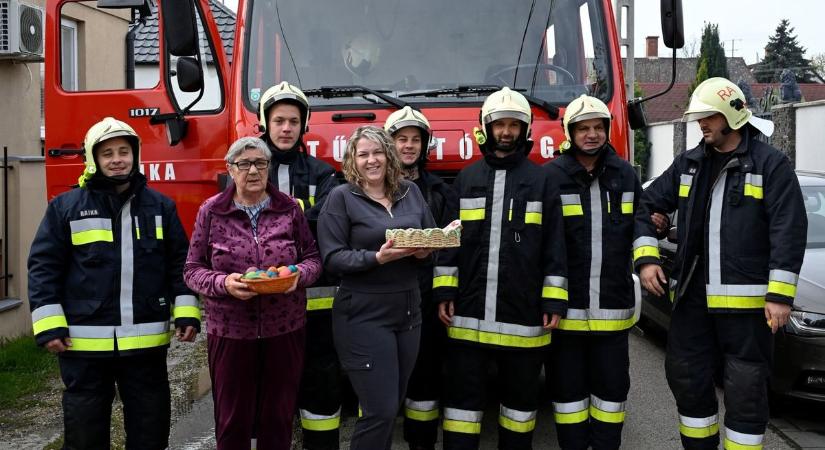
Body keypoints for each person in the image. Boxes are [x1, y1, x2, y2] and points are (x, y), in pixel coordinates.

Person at [634, 77, 807, 450]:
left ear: (731, 116)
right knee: (687, 380)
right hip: (692, 301)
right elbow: (645, 205)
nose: (701, 124)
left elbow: (788, 230)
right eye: (699, 117)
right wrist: (647, 259)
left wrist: (780, 296)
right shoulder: (690, 163)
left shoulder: (770, 165)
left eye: (708, 117)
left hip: (748, 309)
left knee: (746, 391)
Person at [27, 117, 201, 450]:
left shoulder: (161, 207)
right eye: (107, 153)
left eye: (124, 151)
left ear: (136, 155)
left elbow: (180, 264)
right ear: (94, 159)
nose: (117, 159)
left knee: (150, 433)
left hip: (145, 345)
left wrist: (186, 313)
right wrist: (49, 326)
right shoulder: (65, 208)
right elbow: (43, 267)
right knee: (85, 435)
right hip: (84, 347)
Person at [434, 87, 568, 450]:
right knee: (461, 409)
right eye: (499, 124)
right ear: (486, 128)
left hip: (523, 318)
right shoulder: (466, 179)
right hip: (468, 316)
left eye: (513, 125)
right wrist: (444, 291)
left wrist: (553, 301)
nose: (506, 132)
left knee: (520, 410)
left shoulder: (542, 181)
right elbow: (449, 241)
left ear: (525, 130)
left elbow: (555, 245)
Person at [184, 136, 322, 450]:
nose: (253, 170)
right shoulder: (212, 211)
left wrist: (297, 277)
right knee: (233, 420)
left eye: (260, 163)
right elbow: (192, 269)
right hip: (231, 331)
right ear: (230, 169)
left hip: (284, 328)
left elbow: (313, 259)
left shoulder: (289, 208)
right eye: (244, 164)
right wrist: (224, 284)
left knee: (278, 416)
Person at [317, 125, 436, 450]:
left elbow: (429, 239)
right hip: (363, 314)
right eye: (363, 154)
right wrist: (376, 258)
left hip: (408, 313)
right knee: (379, 411)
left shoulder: (411, 192)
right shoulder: (341, 198)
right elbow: (332, 258)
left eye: (378, 152)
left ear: (389, 155)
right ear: (352, 160)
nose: (372, 160)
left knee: (390, 406)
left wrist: (427, 249)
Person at [544, 95, 641, 449]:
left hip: (612, 315)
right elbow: (544, 244)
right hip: (566, 316)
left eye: (598, 127)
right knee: (567, 395)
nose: (592, 134)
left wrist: (647, 261)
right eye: (583, 128)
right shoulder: (551, 177)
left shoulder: (625, 175)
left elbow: (641, 223)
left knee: (611, 396)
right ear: (570, 133)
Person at [257, 81, 342, 449]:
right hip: (264, 307)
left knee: (320, 383)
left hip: (316, 305)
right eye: (279, 121)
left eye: (293, 121)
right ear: (266, 123)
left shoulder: (324, 174)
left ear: (303, 125)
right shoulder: (248, 170)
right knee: (268, 386)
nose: (286, 128)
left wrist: (271, 227)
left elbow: (327, 223)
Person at [384, 106, 458, 450]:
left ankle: (421, 443)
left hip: (424, 299)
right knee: (379, 378)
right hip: (382, 299)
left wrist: (442, 293)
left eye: (416, 139)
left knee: (425, 376)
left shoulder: (440, 192)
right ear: (390, 144)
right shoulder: (369, 189)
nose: (409, 146)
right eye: (402, 139)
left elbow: (450, 247)